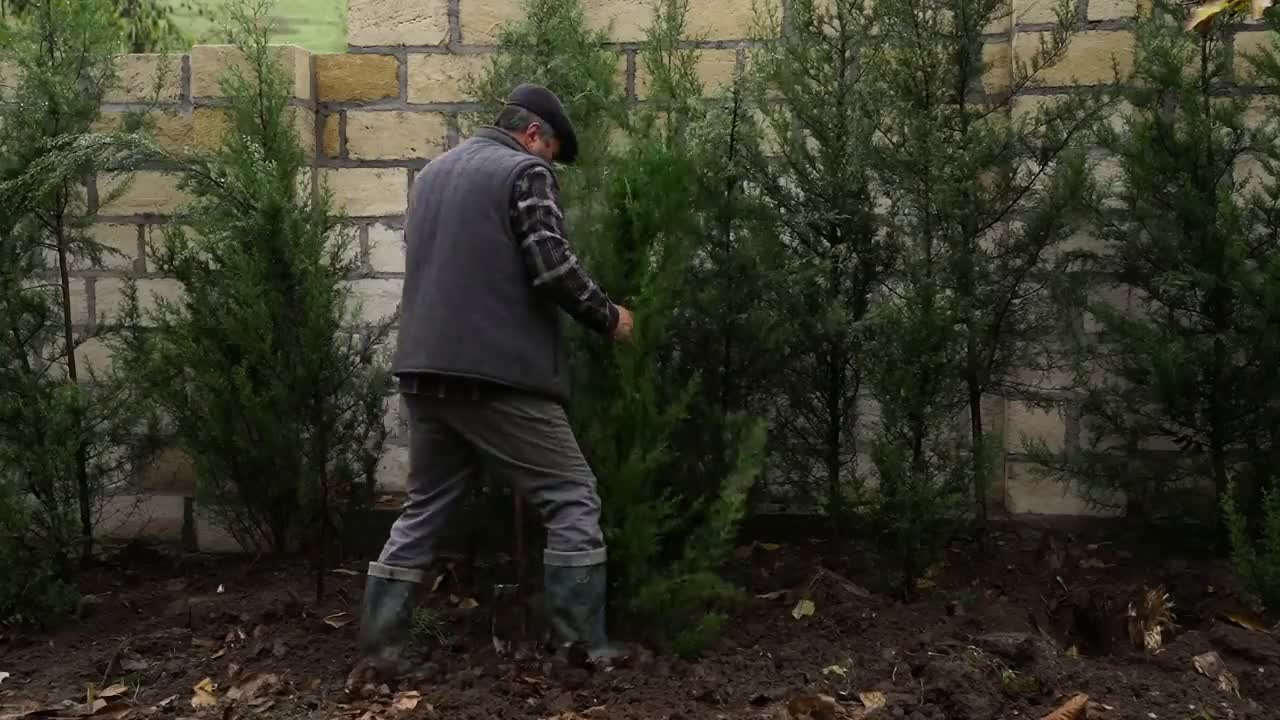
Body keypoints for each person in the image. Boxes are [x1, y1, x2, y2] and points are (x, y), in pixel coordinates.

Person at [357, 83, 634, 676]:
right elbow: (552, 265)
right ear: (535, 134)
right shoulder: (523, 172)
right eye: (553, 150)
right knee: (572, 496)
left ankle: (382, 650)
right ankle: (582, 649)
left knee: (425, 507)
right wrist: (609, 317)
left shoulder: (431, 175)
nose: (551, 163)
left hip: (424, 370)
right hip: (495, 376)